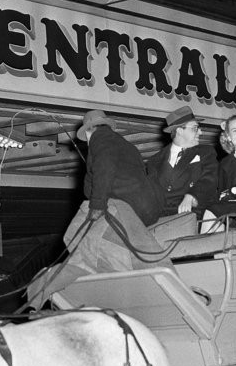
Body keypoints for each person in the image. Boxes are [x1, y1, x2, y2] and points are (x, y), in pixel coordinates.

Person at [27, 109, 171, 305]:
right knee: (141, 253)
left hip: (116, 209)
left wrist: (97, 204)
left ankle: (36, 298)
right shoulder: (126, 145)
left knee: (77, 243)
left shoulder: (100, 138)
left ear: (88, 131)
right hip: (139, 212)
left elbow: (105, 168)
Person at [146, 105, 218, 221]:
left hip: (195, 215)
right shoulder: (154, 161)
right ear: (179, 131)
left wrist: (191, 196)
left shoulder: (206, 152)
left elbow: (209, 179)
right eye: (195, 128)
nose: (200, 132)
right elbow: (151, 194)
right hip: (161, 219)